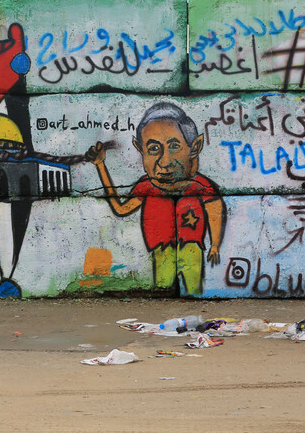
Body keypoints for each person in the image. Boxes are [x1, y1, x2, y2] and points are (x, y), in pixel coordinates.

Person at [85, 102, 226, 295]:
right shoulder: (146, 188)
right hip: (162, 248)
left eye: (174, 146)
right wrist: (100, 165)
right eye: (153, 149)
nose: (164, 162)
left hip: (191, 246)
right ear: (140, 149)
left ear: (195, 147)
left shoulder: (200, 186)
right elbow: (120, 209)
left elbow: (214, 210)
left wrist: (216, 245)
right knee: (163, 287)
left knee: (194, 289)